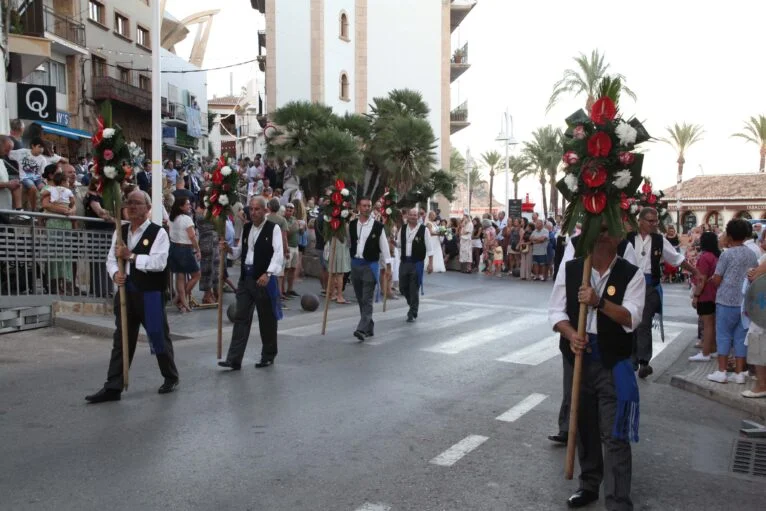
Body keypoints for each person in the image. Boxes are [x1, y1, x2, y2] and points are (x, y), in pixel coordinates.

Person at [549, 223, 645, 510]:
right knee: (584, 426)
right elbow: (555, 311)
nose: (603, 236)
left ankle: (617, 501)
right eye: (598, 230)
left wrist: (598, 301)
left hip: (613, 360)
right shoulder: (572, 269)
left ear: (618, 238)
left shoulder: (631, 274)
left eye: (609, 230)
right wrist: (570, 333)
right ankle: (589, 484)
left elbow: (631, 318)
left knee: (614, 433)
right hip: (579, 356)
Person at [85, 190, 180, 403]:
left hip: (150, 294)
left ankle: (170, 376)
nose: (132, 206)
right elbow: (111, 258)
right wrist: (115, 273)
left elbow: (159, 263)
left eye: (137, 203)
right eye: (129, 202)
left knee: (158, 336)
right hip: (126, 293)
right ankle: (113, 386)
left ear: (148, 208)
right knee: (122, 339)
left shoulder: (159, 233)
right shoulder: (121, 230)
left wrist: (132, 257)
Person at [628, 207, 699, 378]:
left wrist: (695, 272)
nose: (654, 224)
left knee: (644, 323)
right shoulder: (628, 238)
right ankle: (631, 360)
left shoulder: (659, 240)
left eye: (656, 221)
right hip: (629, 287)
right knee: (630, 322)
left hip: (650, 287)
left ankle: (643, 362)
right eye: (650, 221)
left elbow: (676, 258)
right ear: (640, 221)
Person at [218, 196, 284, 370]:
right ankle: (234, 359)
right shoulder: (247, 228)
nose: (253, 212)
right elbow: (240, 251)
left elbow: (278, 253)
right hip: (246, 278)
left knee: (266, 319)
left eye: (257, 209)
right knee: (241, 317)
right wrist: (229, 250)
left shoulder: (273, 228)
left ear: (265, 210)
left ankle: (268, 355)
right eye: (251, 209)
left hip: (263, 279)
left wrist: (268, 273)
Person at [707, 219, 759, 384]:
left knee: (723, 335)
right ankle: (739, 373)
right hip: (744, 302)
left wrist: (712, 280)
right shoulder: (751, 254)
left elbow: (717, 279)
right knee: (740, 336)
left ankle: (722, 372)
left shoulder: (726, 254)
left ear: (729, 235)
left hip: (725, 301)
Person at [349, 196, 391, 341]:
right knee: (360, 298)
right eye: (364, 205)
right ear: (358, 207)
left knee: (367, 298)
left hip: (370, 266)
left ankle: (361, 328)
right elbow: (347, 241)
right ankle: (369, 325)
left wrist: (388, 267)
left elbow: (384, 247)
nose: (367, 208)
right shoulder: (352, 224)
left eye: (369, 206)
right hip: (355, 264)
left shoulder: (378, 226)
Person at [689, 232, 720, 361]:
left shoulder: (704, 257)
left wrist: (696, 296)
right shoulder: (716, 256)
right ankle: (712, 349)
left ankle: (705, 353)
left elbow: (701, 279)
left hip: (705, 294)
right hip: (714, 293)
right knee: (712, 323)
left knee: (707, 324)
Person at [399, 208, 434, 322]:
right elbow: (399, 244)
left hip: (417, 263)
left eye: (415, 215)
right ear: (407, 216)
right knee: (403, 288)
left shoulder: (424, 230)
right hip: (404, 262)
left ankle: (413, 310)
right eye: (411, 215)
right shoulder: (403, 228)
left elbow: (429, 248)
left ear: (418, 217)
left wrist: (430, 264)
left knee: (414, 288)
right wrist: (392, 242)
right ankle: (412, 305)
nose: (413, 217)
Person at [168, 197, 201, 313]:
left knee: (180, 277)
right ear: (181, 207)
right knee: (196, 274)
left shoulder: (171, 218)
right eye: (187, 204)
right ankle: (180, 300)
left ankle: (182, 301)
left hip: (173, 248)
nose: (190, 206)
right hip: (185, 249)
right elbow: (192, 236)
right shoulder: (186, 219)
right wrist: (198, 250)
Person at [82, 180, 114, 297]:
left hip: (109, 231)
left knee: (108, 260)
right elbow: (100, 212)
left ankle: (108, 289)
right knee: (98, 261)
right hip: (97, 232)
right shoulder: (92, 196)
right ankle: (99, 290)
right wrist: (112, 215)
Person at [282, 202, 303, 297]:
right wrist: (295, 227)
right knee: (286, 269)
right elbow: (287, 233)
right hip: (289, 247)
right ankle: (282, 290)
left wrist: (302, 228)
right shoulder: (284, 220)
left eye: (291, 210)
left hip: (295, 247)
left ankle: (290, 289)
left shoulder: (294, 219)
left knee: (293, 269)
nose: (289, 212)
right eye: (288, 210)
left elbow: (300, 232)